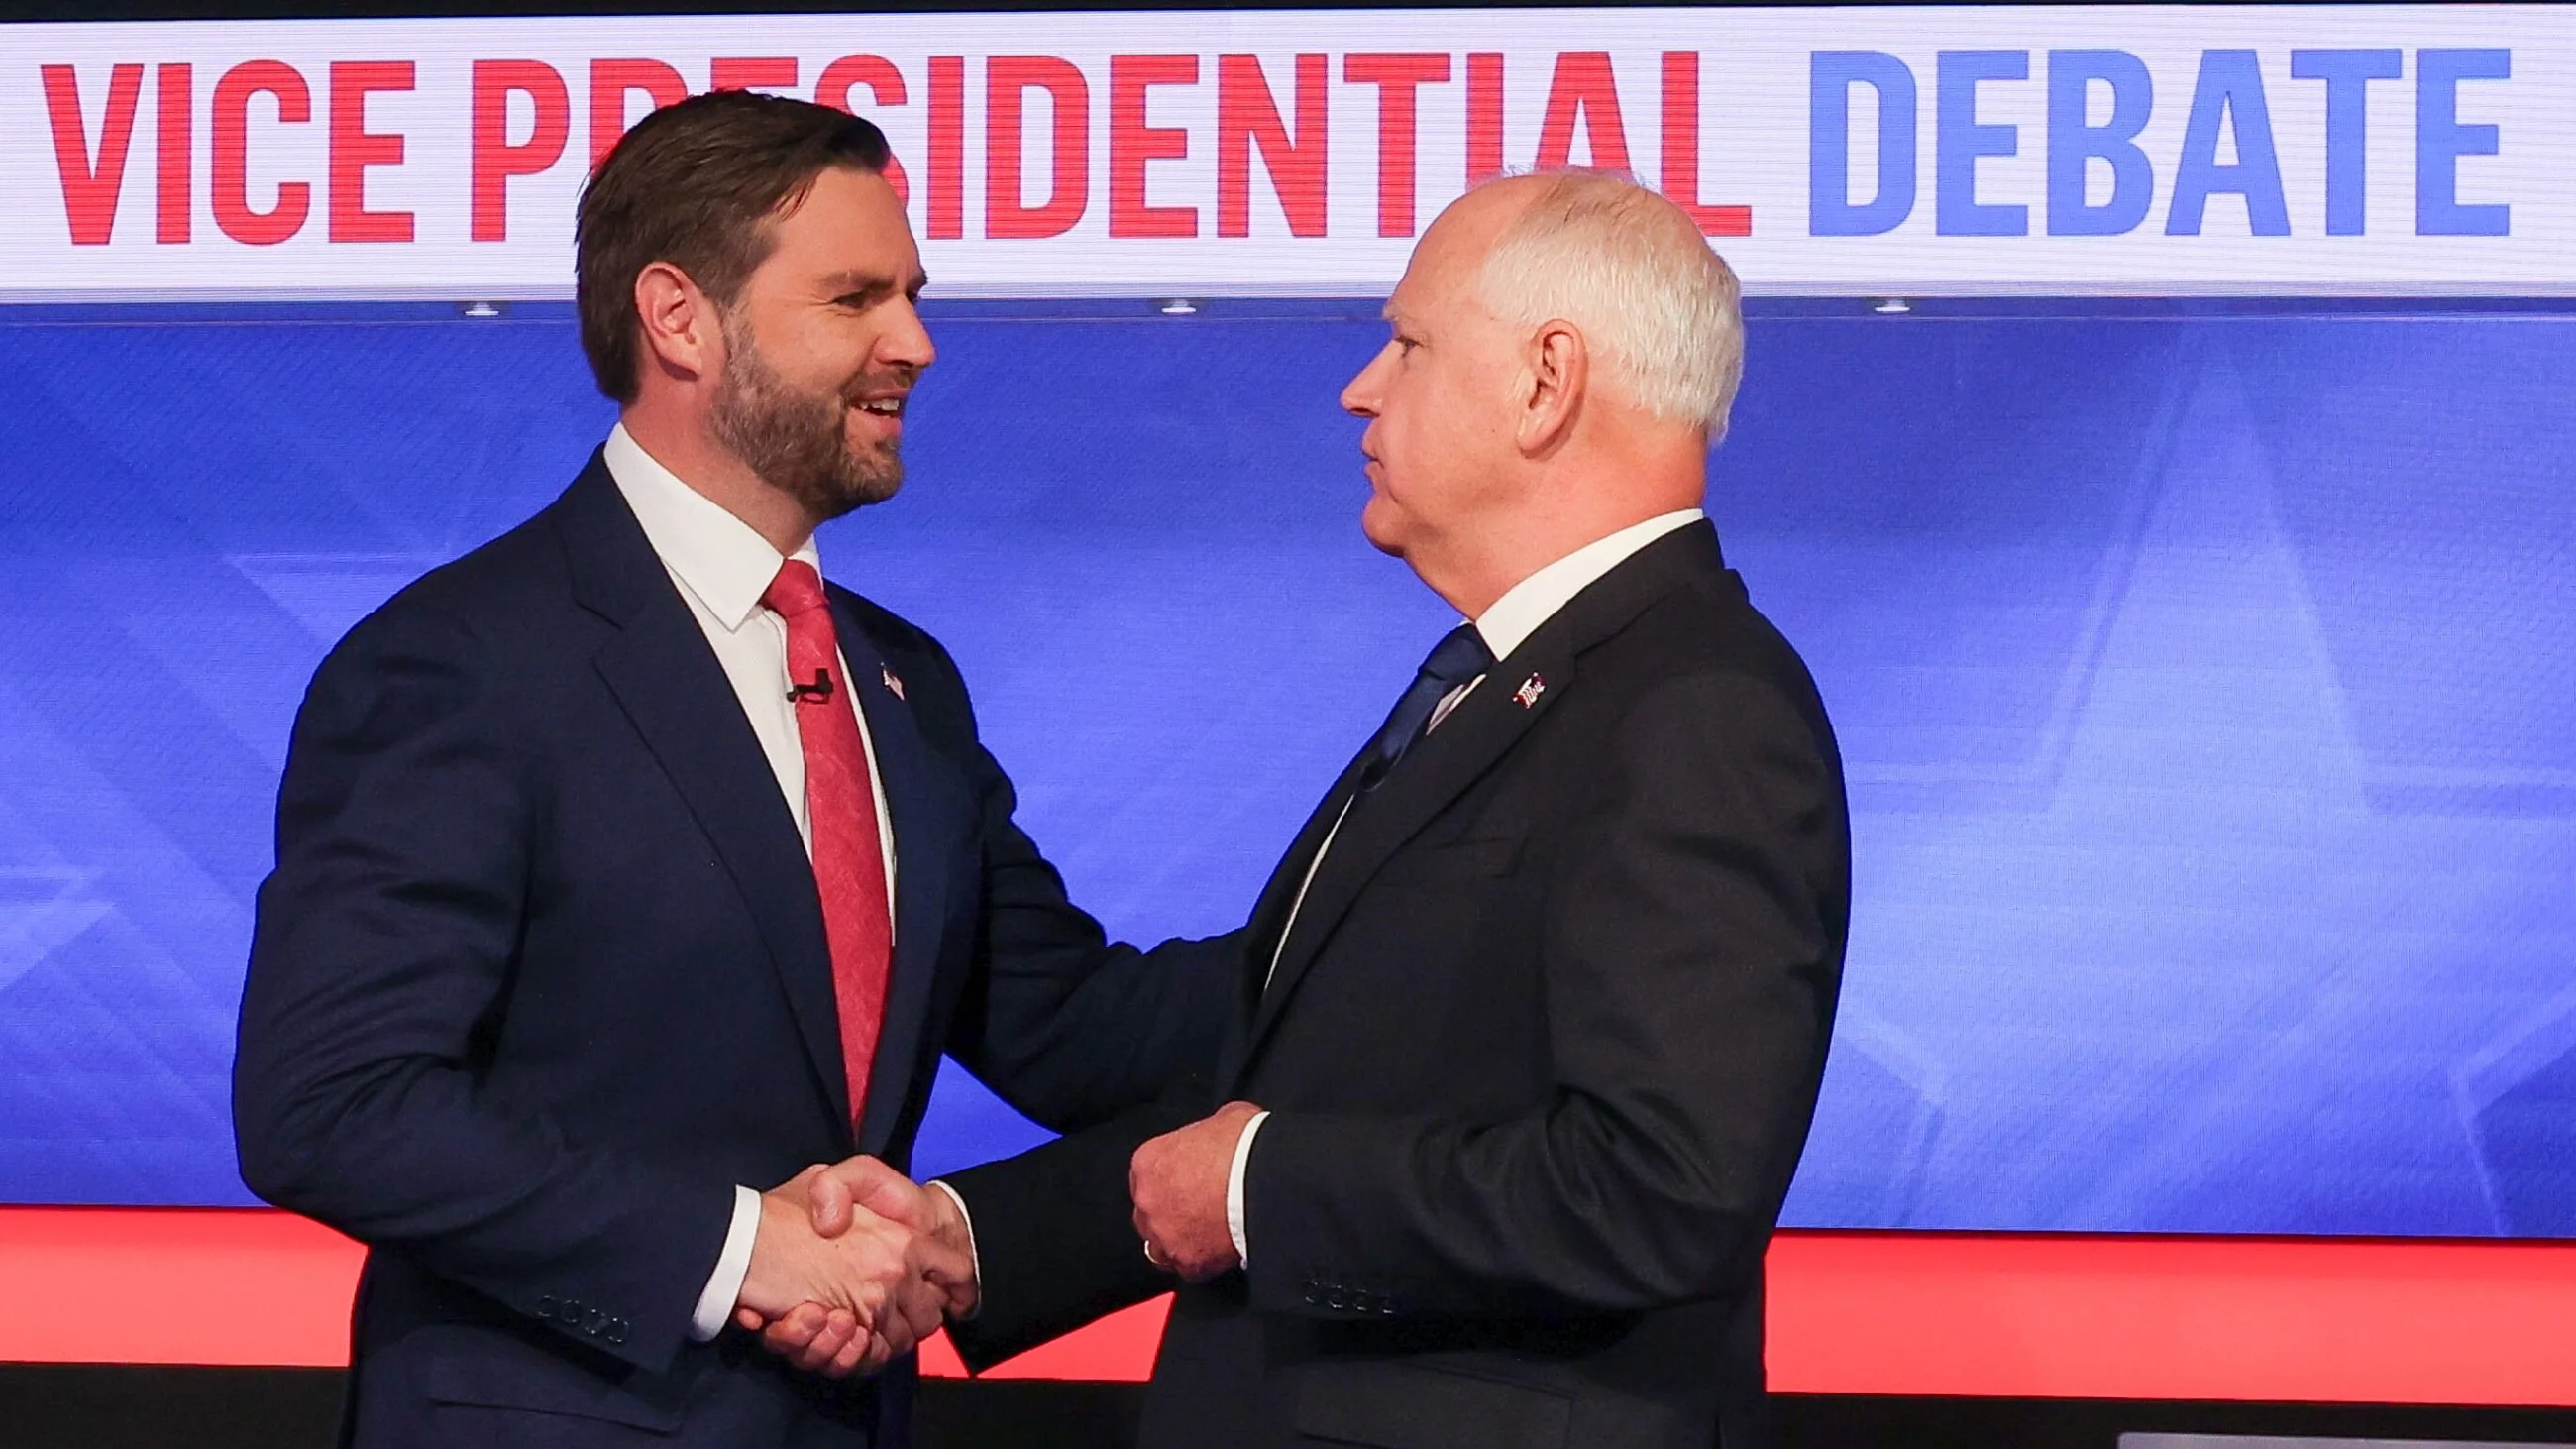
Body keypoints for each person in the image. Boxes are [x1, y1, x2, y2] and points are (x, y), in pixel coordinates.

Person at [231, 91, 1230, 1448]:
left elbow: (1076, 1029)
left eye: (913, 294)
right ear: (680, 317)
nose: (916, 344)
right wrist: (737, 1246)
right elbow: (332, 1105)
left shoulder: (905, 685)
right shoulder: (462, 661)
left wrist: (1381, 923)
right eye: (856, 298)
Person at [796, 169, 1852, 1449]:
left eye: (1407, 343)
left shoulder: (1696, 710)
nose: (1362, 386)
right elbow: (1283, 1056)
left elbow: (1657, 1190)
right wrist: (977, 1239)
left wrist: (1255, 1187)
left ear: (1544, 382)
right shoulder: (1512, 690)